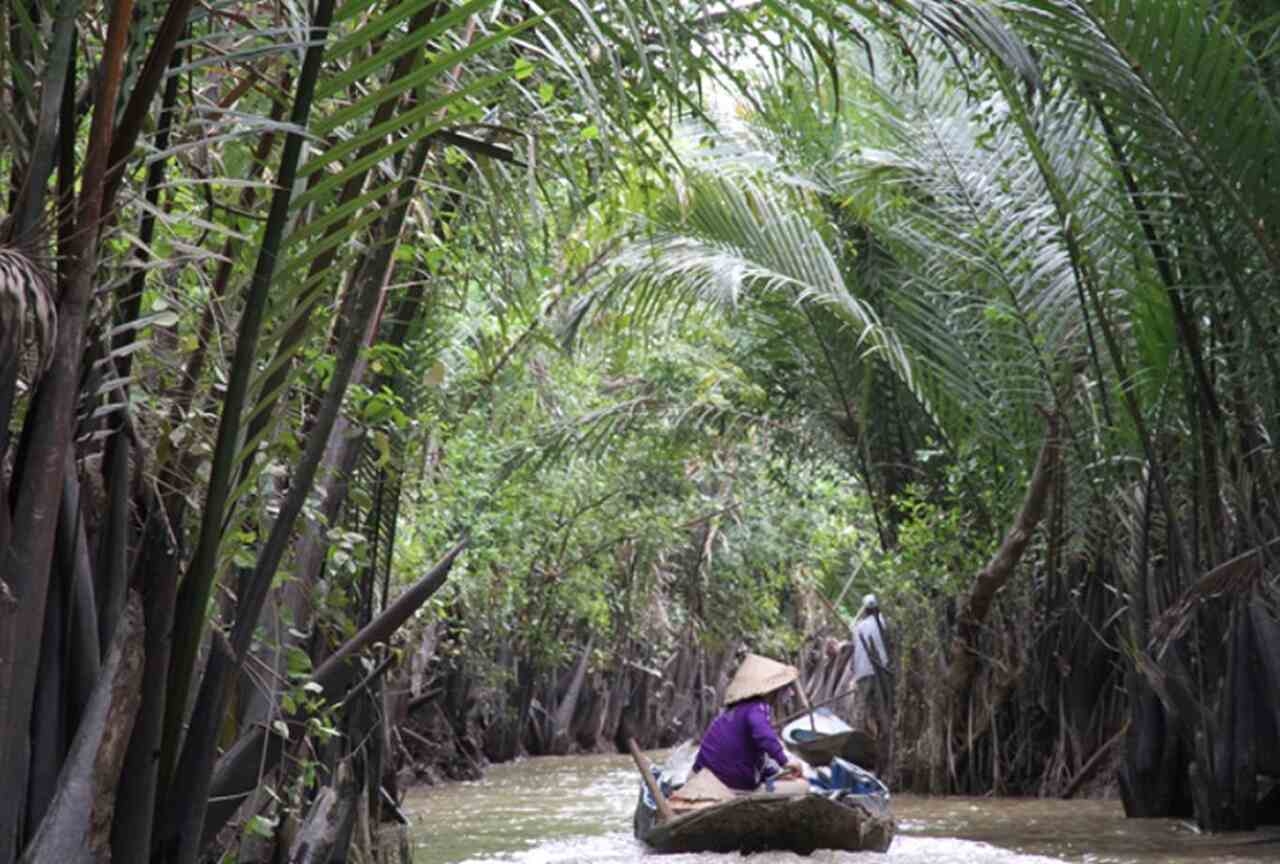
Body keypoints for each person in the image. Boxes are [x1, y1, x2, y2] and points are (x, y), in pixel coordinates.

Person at [688, 653, 807, 792]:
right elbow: (764, 736)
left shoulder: (734, 711)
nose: (789, 693)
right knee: (803, 786)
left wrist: (775, 773)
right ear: (772, 690)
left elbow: (754, 754)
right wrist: (786, 762)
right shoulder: (757, 708)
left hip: (701, 777)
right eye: (784, 689)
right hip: (726, 785)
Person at [826, 593, 888, 734]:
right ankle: (882, 732)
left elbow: (855, 649)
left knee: (863, 707)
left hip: (863, 672)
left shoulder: (858, 627)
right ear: (878, 607)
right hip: (882, 670)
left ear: (865, 610)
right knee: (883, 704)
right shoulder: (885, 622)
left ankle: (862, 734)